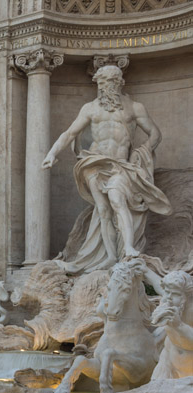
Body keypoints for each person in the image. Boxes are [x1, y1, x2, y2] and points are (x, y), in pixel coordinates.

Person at [43, 64, 171, 273]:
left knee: (117, 199)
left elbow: (155, 133)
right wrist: (51, 153)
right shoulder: (90, 108)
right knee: (103, 210)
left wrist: (142, 152)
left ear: (120, 82)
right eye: (102, 83)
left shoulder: (134, 107)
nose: (106, 87)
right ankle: (111, 256)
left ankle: (128, 248)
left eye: (110, 82)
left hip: (120, 165)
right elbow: (69, 133)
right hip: (94, 163)